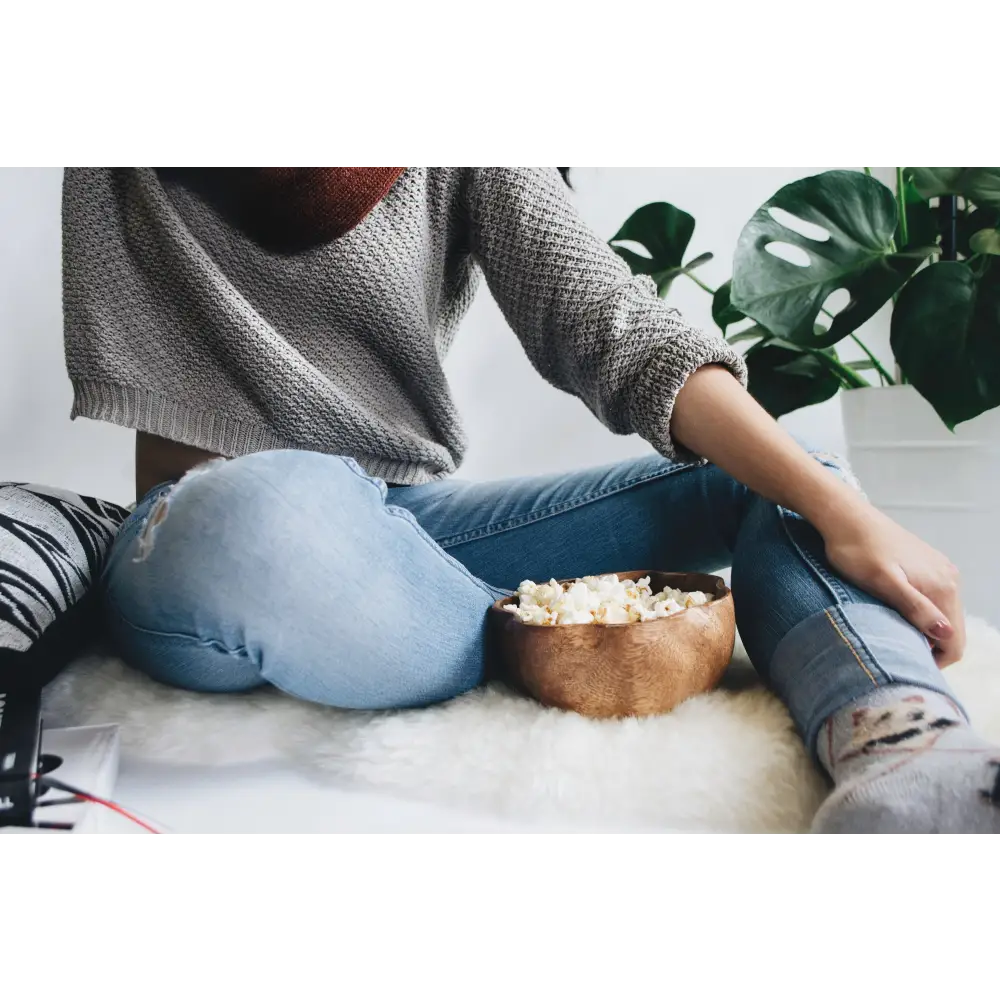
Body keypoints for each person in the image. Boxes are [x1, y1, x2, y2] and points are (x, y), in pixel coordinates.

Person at [61, 159, 1000, 840]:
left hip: (407, 530)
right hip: (207, 539)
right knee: (264, 513)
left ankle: (901, 745)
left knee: (785, 471)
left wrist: (851, 515)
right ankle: (540, 635)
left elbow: (615, 328)